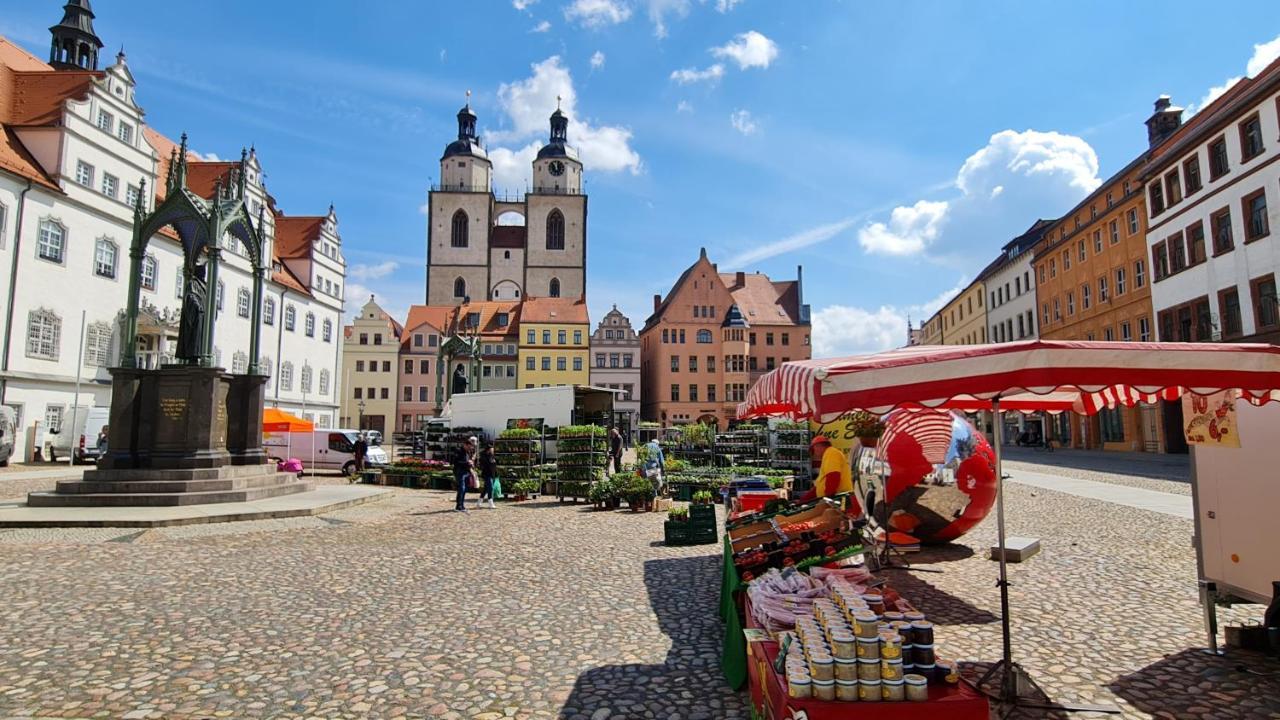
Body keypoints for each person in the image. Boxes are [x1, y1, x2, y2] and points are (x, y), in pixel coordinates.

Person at [798, 435, 854, 503]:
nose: (814, 454)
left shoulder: (831, 453)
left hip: (839, 499)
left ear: (817, 446)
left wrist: (828, 499)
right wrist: (802, 500)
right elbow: (817, 488)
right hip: (837, 499)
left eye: (813, 450)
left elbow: (833, 477)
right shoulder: (828, 455)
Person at [452, 437, 476, 513]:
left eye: (471, 447)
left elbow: (468, 461)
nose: (470, 448)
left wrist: (471, 464)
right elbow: (456, 462)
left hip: (466, 472)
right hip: (460, 472)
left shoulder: (468, 452)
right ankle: (458, 506)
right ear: (465, 445)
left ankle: (461, 505)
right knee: (461, 489)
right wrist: (467, 463)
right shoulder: (458, 451)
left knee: (465, 489)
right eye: (469, 446)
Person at [477, 443, 498, 509]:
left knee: (486, 489)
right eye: (492, 449)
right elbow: (484, 465)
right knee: (490, 488)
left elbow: (494, 466)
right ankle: (490, 502)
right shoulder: (484, 457)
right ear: (488, 450)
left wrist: (496, 474)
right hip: (487, 474)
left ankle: (479, 502)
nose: (493, 451)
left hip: (493, 474)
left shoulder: (492, 456)